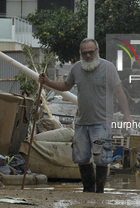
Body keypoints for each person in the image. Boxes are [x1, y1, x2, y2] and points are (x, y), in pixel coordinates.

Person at [39, 38, 132, 193]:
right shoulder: (77, 68)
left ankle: (99, 192)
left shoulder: (108, 68)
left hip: (102, 122)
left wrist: (127, 115)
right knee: (81, 159)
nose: (88, 55)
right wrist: (48, 82)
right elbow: (65, 86)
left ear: (98, 51)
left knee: (102, 160)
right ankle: (88, 191)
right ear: (81, 54)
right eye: (85, 53)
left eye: (91, 52)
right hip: (82, 123)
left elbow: (119, 92)